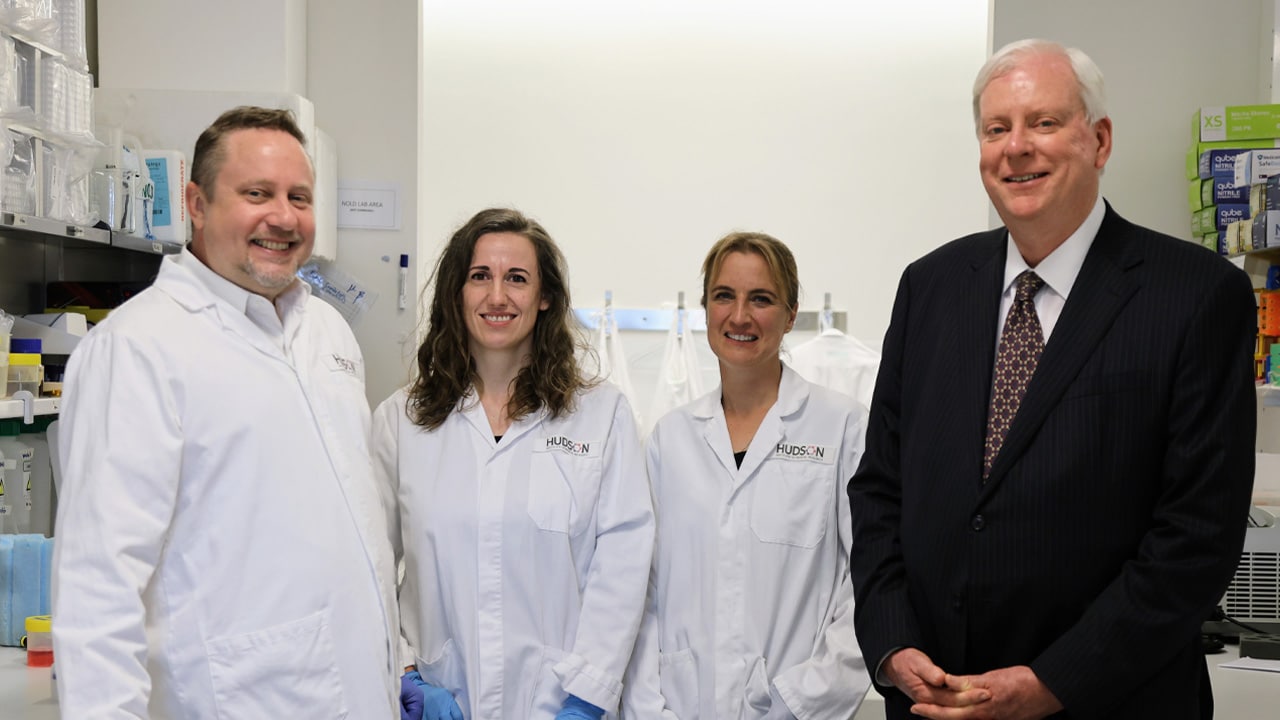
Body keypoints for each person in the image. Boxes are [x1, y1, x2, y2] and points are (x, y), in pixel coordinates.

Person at [847, 39, 1256, 720]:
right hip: (934, 702)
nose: (1016, 148)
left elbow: (1196, 538)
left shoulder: (1194, 295)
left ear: (1098, 141)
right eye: (996, 128)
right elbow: (880, 490)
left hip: (1110, 703)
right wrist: (890, 643)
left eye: (1042, 123)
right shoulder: (931, 287)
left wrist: (1052, 682)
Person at [51, 106, 399, 717]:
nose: (283, 217)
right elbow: (98, 587)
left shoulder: (329, 332)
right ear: (197, 203)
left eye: (299, 196)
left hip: (356, 691)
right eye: (256, 193)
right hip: (236, 698)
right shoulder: (138, 349)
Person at [374, 207, 653, 720]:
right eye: (480, 276)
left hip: (558, 702)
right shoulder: (402, 421)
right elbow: (367, 563)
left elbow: (624, 563)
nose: (497, 296)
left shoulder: (600, 415)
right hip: (444, 697)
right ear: (456, 292)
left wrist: (587, 696)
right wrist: (405, 673)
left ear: (544, 298)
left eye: (517, 279)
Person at [625, 231, 872, 719]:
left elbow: (867, 584)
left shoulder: (842, 426)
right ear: (705, 309)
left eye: (761, 299)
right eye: (724, 297)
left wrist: (802, 700)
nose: (740, 316)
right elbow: (640, 591)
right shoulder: (669, 439)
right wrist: (651, 709)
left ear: (790, 313)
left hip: (795, 710)